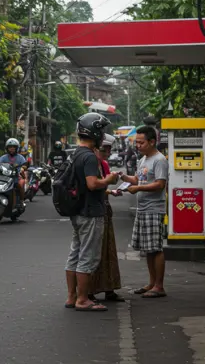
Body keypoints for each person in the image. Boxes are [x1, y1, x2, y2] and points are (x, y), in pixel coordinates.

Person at [64, 113, 119, 312]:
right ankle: (82, 299)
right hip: (90, 212)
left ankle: (72, 297)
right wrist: (109, 180)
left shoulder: (75, 153)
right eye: (101, 130)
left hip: (78, 211)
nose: (103, 134)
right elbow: (92, 184)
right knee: (88, 256)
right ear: (94, 132)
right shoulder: (88, 157)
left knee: (75, 255)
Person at [119, 126, 169, 298]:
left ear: (152, 141)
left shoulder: (159, 160)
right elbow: (137, 179)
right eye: (137, 142)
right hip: (143, 208)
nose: (138, 146)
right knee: (148, 249)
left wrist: (138, 188)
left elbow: (160, 184)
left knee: (155, 248)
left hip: (154, 208)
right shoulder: (142, 160)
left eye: (141, 142)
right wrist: (124, 178)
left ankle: (159, 286)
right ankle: (152, 282)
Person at [89, 134, 124, 303]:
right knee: (93, 251)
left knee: (108, 250)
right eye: (105, 150)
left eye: (109, 150)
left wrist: (110, 190)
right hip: (92, 210)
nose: (108, 153)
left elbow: (101, 187)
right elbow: (91, 186)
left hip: (104, 208)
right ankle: (88, 291)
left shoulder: (103, 164)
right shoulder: (90, 163)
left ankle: (109, 288)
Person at [0, 138, 27, 209]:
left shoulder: (20, 157)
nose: (12, 148)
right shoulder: (3, 157)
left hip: (16, 177)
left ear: (17, 148)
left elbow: (25, 165)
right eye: (10, 147)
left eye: (14, 147)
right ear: (7, 148)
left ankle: (21, 201)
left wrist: (22, 168)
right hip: (5, 178)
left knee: (21, 184)